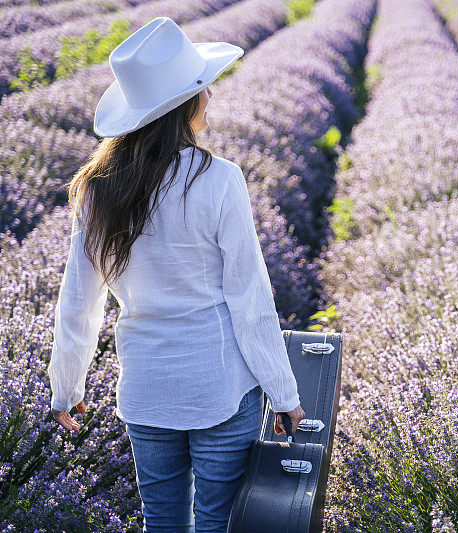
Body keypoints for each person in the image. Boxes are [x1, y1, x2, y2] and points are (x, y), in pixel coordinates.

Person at [46, 16, 305, 532]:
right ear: (183, 106)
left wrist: (65, 386)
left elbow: (78, 303)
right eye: (201, 88)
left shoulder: (98, 189)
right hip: (219, 385)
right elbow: (249, 300)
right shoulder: (219, 180)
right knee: (215, 521)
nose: (210, 95)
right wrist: (286, 394)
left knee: (162, 521)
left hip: (147, 387)